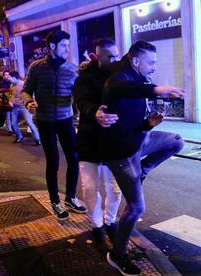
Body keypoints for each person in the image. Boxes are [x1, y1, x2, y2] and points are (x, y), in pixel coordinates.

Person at [102, 40, 185, 275]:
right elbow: (119, 88)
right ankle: (117, 254)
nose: (154, 67)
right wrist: (157, 89)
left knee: (176, 141)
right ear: (136, 61)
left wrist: (147, 123)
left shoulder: (138, 78)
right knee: (137, 208)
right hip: (122, 153)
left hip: (140, 138)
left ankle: (144, 171)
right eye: (151, 62)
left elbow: (131, 112)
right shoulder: (120, 76)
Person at [21, 30, 87, 220]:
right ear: (52, 46)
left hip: (66, 120)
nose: (67, 49)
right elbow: (26, 91)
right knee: (53, 162)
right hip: (45, 121)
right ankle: (55, 202)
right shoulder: (37, 67)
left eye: (68, 45)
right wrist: (28, 102)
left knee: (74, 159)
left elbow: (80, 92)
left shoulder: (72, 69)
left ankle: (70, 198)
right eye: (64, 46)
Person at [74, 38, 122, 251]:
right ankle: (97, 225)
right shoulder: (85, 78)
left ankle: (110, 221)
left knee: (114, 189)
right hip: (90, 142)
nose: (114, 60)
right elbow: (81, 101)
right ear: (97, 57)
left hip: (113, 143)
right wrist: (95, 113)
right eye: (109, 56)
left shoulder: (121, 75)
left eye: (116, 56)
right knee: (91, 188)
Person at [8, 71, 41, 145]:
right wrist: (10, 101)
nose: (8, 78)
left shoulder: (23, 84)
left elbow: (31, 94)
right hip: (15, 108)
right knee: (13, 124)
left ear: (14, 77)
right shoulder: (11, 85)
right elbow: (12, 95)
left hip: (24, 107)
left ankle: (38, 139)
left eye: (10, 77)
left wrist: (33, 104)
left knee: (30, 123)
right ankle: (19, 137)